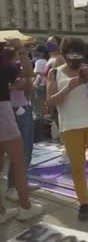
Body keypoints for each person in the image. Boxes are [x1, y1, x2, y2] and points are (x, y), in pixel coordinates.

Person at [46, 37, 88, 220]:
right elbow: (50, 101)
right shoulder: (54, 73)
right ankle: (84, 203)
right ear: (64, 54)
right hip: (70, 126)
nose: (76, 58)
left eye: (79, 54)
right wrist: (70, 87)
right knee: (77, 167)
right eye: (72, 54)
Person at [0, 38, 43, 224]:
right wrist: (21, 50)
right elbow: (28, 74)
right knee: (18, 160)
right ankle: (25, 206)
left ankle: (1, 212)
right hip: (2, 111)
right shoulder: (4, 66)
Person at [6, 50, 37, 201]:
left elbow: (29, 86)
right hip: (11, 109)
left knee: (27, 148)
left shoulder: (17, 68)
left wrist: (22, 83)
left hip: (23, 108)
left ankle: (22, 182)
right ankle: (12, 186)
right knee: (17, 151)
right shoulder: (7, 68)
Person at [32, 45, 49, 117]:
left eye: (38, 51)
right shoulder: (46, 61)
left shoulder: (39, 61)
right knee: (43, 105)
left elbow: (37, 73)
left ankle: (39, 122)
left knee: (37, 108)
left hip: (39, 86)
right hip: (45, 85)